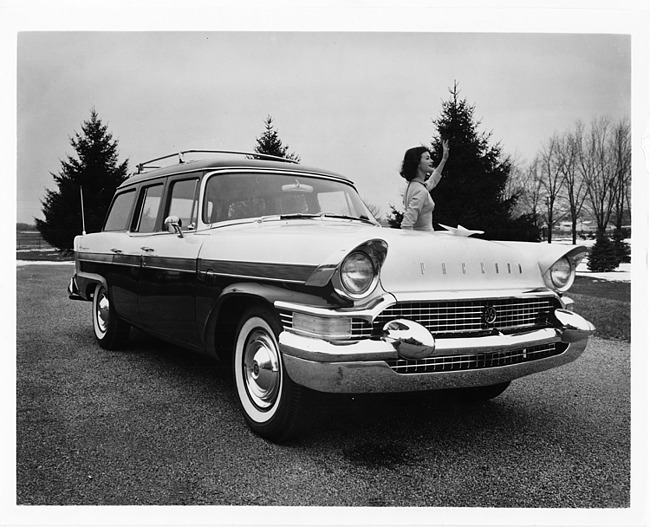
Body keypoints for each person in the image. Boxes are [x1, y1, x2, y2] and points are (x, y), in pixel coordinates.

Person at [400, 140, 450, 231]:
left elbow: (432, 181)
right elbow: (406, 224)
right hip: (425, 239)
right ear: (418, 163)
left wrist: (444, 159)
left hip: (423, 238)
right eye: (427, 158)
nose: (431, 161)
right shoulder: (420, 191)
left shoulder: (414, 185)